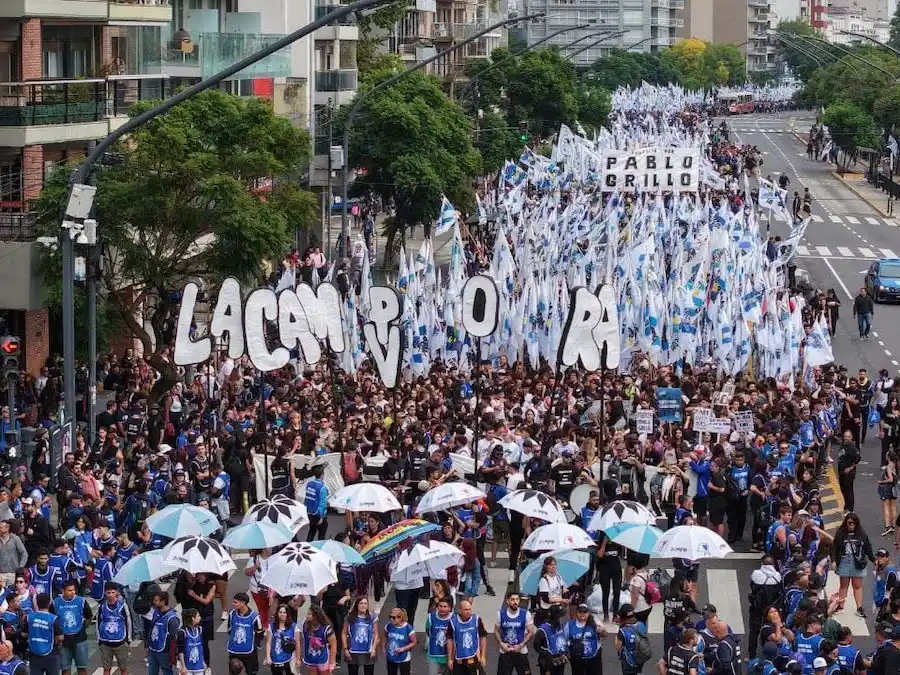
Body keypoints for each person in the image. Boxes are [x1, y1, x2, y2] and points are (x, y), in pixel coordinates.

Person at [54, 578, 92, 675]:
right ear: (63, 591)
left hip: (79, 639)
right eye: (69, 590)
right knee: (65, 669)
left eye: (73, 590)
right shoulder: (56, 603)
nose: (72, 592)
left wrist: (83, 628)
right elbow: (52, 620)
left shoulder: (81, 601)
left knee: (82, 668)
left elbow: (89, 616)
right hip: (63, 640)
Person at [96, 581, 132, 675]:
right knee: (106, 669)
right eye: (108, 592)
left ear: (116, 592)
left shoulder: (123, 606)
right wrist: (99, 640)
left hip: (120, 643)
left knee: (123, 669)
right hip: (105, 643)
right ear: (105, 592)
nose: (111, 595)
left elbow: (129, 622)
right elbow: (98, 622)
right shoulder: (102, 606)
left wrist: (128, 640)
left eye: (112, 592)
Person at [495, 591, 534, 675]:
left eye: (517, 599)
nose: (515, 602)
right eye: (512, 599)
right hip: (505, 651)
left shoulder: (526, 614)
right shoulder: (500, 614)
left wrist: (521, 645)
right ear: (507, 601)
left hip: (521, 651)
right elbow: (496, 631)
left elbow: (531, 632)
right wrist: (501, 644)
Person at [446, 599, 487, 675]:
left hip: (474, 660)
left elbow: (483, 637)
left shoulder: (477, 620)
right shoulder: (452, 622)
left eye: (470, 609)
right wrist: (449, 659)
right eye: (465, 610)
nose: (468, 611)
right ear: (460, 610)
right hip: (459, 661)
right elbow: (449, 640)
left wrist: (483, 656)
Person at [227, 592, 263, 675]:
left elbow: (259, 634)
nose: (233, 604)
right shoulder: (232, 614)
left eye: (235, 602)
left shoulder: (255, 617)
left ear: (243, 603)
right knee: (234, 672)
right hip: (234, 651)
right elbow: (230, 630)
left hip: (249, 652)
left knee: (251, 672)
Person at [25, 592, 62, 675]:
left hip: (34, 654)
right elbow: (60, 637)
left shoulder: (29, 617)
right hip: (52, 655)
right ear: (49, 603)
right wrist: (58, 643)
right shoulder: (53, 618)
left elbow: (24, 634)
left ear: (37, 603)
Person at [565, 602, 605, 675]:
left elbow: (605, 634)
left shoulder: (595, 622)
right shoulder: (570, 625)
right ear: (576, 612)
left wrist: (602, 630)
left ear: (589, 613)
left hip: (594, 658)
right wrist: (566, 652)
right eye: (580, 611)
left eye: (585, 612)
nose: (582, 614)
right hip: (577, 659)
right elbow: (564, 640)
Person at [147, 591, 180, 675]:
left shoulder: (172, 618)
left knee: (167, 672)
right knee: (152, 672)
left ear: (163, 601)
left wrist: (173, 654)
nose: (154, 602)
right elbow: (152, 629)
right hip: (153, 649)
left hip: (164, 651)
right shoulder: (156, 612)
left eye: (156, 600)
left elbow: (174, 638)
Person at [343, 597, 378, 675]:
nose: (363, 605)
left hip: (368, 651)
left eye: (365, 603)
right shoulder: (350, 617)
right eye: (361, 603)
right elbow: (343, 633)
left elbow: (376, 634)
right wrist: (345, 649)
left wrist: (374, 649)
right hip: (353, 651)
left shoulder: (372, 617)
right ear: (357, 605)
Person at [264, 603, 299, 675]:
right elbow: (268, 643)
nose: (282, 614)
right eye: (280, 612)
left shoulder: (293, 627)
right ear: (277, 613)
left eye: (284, 612)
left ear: (287, 614)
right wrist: (268, 657)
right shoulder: (271, 626)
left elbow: (297, 643)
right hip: (275, 658)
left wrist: (298, 659)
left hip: (289, 659)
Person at [424, 596, 452, 675]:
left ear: (449, 608)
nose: (442, 608)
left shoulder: (454, 619)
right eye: (440, 606)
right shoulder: (431, 617)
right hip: (433, 655)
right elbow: (428, 631)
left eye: (445, 606)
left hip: (448, 656)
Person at [383, 607, 416, 675]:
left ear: (401, 617)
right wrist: (383, 647)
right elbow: (384, 636)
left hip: (404, 658)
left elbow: (414, 642)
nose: (391, 619)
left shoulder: (408, 628)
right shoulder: (388, 626)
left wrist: (403, 649)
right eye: (390, 617)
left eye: (394, 617)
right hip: (391, 656)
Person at [177, 608, 207, 675]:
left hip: (198, 665)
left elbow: (201, 648)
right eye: (198, 616)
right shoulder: (182, 632)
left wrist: (203, 662)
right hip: (186, 666)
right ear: (193, 618)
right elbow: (180, 651)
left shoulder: (200, 629)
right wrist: (183, 667)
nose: (200, 617)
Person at [304, 465, 329, 542]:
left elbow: (307, 498)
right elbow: (323, 504)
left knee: (311, 532)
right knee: (321, 535)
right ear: (322, 475)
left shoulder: (309, 484)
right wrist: (322, 517)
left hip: (310, 512)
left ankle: (306, 549)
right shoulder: (323, 487)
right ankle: (320, 550)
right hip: (318, 514)